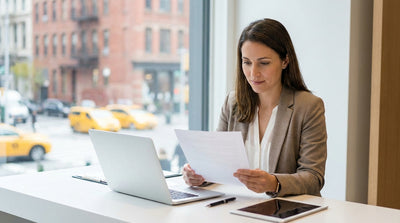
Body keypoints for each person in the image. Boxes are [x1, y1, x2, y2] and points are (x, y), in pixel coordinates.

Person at [182, 18, 327, 197]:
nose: (253, 73)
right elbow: (217, 164)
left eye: (264, 63)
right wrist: (198, 175)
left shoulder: (308, 107)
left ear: (285, 61)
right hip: (238, 206)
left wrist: (274, 183)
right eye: (247, 62)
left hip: (285, 211)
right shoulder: (233, 102)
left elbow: (314, 178)